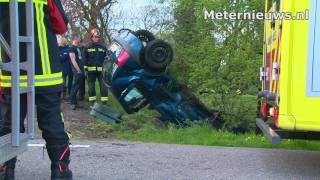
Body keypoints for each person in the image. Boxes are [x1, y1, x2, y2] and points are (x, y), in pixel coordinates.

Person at [0, 1, 72, 179]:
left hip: (13, 71)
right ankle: (59, 170)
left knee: (10, 122)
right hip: (45, 72)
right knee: (52, 121)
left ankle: (6, 170)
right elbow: (61, 25)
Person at [83, 28, 109, 106]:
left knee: (104, 87)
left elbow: (106, 58)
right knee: (91, 87)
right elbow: (84, 59)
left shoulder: (103, 46)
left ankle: (104, 103)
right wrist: (85, 69)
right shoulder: (87, 46)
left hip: (102, 71)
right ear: (91, 37)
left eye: (98, 37)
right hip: (91, 71)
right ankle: (92, 103)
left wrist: (107, 68)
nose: (97, 38)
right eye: (95, 37)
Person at [69, 34, 85, 110]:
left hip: (81, 70)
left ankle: (75, 103)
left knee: (78, 86)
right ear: (75, 38)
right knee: (75, 86)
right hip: (77, 70)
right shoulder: (72, 48)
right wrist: (78, 69)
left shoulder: (78, 48)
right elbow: (73, 60)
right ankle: (72, 103)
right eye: (79, 37)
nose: (80, 39)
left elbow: (80, 58)